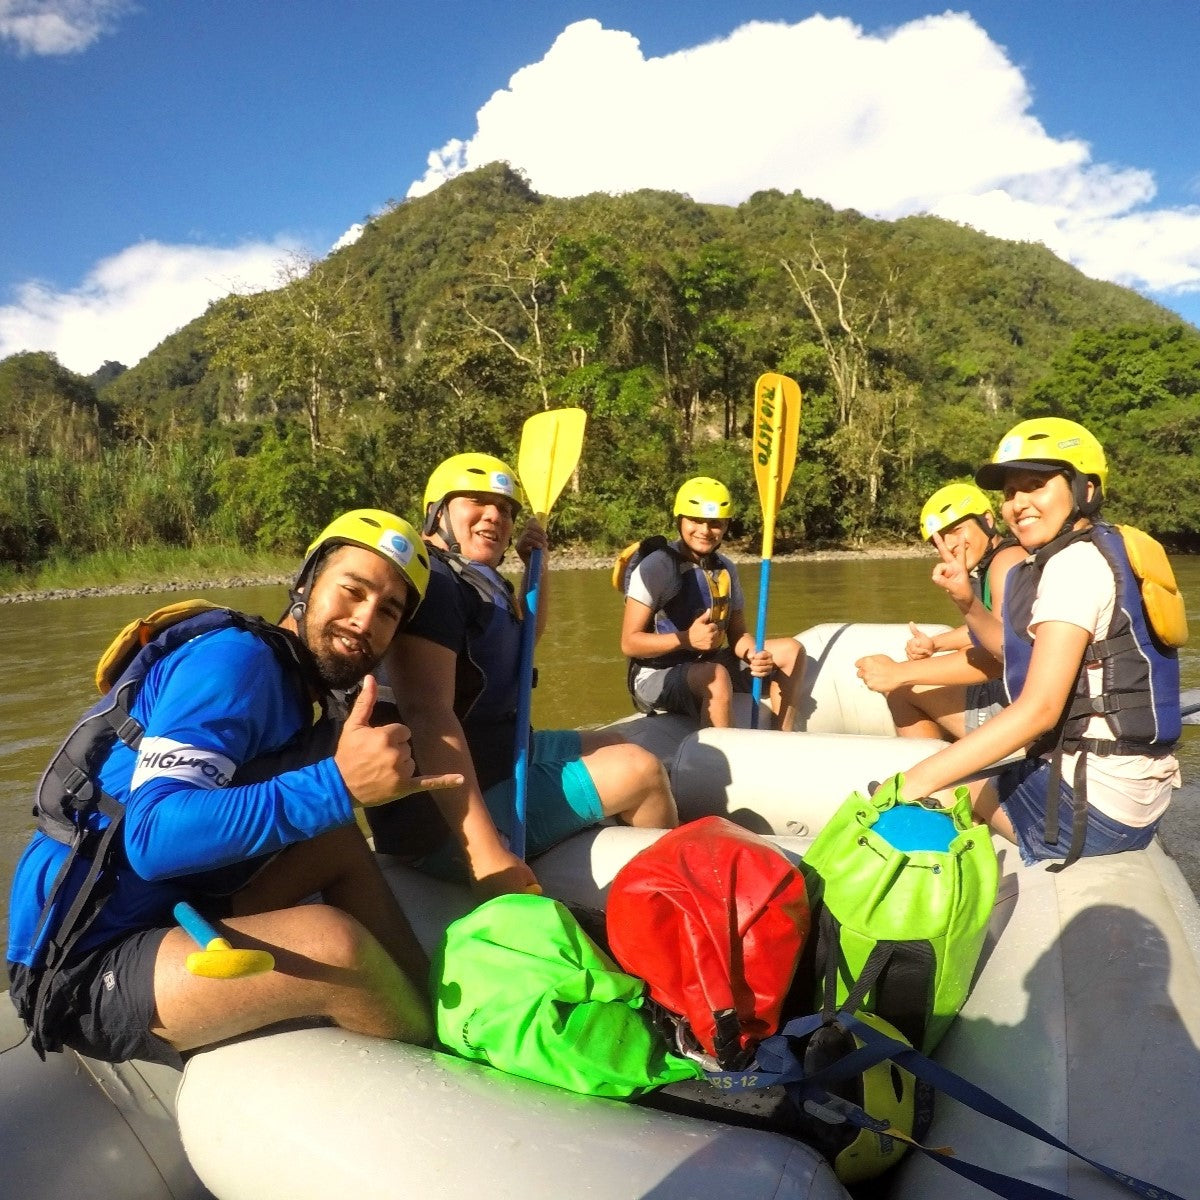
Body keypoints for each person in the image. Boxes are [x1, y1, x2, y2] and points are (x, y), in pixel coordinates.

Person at [6, 509, 463, 1066]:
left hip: (170, 906)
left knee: (336, 841)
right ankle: (442, 1065)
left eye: (388, 611)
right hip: (80, 958)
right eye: (352, 591)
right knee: (335, 945)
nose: (364, 620)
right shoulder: (237, 663)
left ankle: (437, 1011)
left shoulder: (305, 692)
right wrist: (338, 784)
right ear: (305, 584)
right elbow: (151, 840)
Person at [367, 453, 677, 896]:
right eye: (477, 501)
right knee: (641, 770)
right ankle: (669, 905)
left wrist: (538, 565)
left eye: (507, 509)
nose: (496, 515)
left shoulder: (475, 579)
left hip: (502, 754)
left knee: (619, 743)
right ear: (437, 511)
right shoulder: (435, 585)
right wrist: (486, 851)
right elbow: (428, 718)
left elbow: (521, 641)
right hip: (439, 819)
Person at [895, 418, 1182, 868]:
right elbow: (1014, 652)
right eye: (1011, 493)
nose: (1018, 504)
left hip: (1096, 810)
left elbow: (1040, 709)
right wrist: (967, 602)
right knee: (959, 774)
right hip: (1134, 796)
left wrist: (913, 782)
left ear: (1085, 489)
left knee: (930, 797)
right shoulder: (1103, 548)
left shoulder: (1073, 566)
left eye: (1036, 485)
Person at [619, 476, 805, 731]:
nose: (705, 531)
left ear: (726, 525)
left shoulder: (725, 568)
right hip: (655, 676)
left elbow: (738, 634)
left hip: (706, 662)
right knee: (715, 675)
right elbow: (630, 643)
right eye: (695, 520)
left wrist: (754, 654)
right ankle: (718, 765)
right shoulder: (656, 567)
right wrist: (686, 639)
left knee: (792, 651)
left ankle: (781, 736)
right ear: (679, 520)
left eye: (715, 523)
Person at [854, 482, 1024, 741]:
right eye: (940, 540)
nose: (950, 545)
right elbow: (989, 627)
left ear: (987, 520)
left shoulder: (1007, 562)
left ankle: (936, 779)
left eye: (956, 531)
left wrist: (898, 674)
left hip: (1018, 710)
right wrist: (936, 643)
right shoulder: (991, 564)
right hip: (1016, 696)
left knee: (902, 692)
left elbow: (1002, 654)